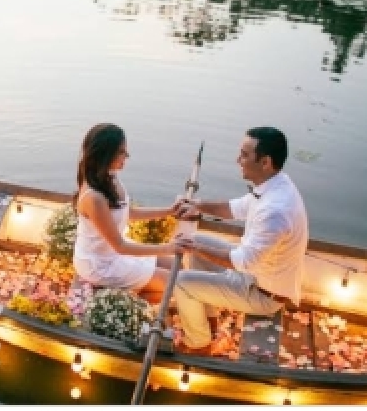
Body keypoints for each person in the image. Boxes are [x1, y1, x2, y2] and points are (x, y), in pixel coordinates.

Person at [173, 126, 309, 355]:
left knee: (180, 281)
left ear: (265, 162)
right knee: (195, 240)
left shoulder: (275, 210)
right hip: (254, 273)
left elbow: (242, 262)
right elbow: (235, 208)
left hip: (262, 293)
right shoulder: (275, 184)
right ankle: (209, 320)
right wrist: (197, 206)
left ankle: (198, 344)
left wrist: (191, 247)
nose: (238, 160)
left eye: (245, 155)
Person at [73, 123, 192, 305]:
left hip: (116, 252)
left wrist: (169, 211)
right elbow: (120, 246)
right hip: (100, 264)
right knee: (176, 283)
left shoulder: (109, 176)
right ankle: (132, 302)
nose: (127, 156)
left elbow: (129, 212)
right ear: (106, 154)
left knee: (179, 268)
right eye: (122, 152)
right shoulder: (94, 198)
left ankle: (137, 291)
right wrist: (169, 247)